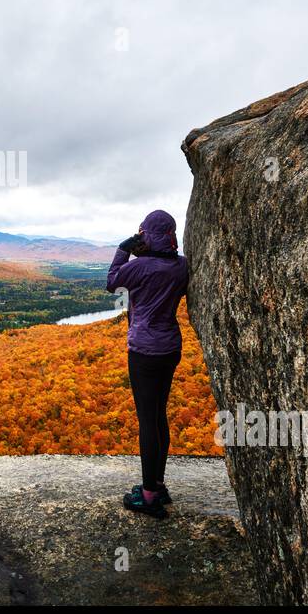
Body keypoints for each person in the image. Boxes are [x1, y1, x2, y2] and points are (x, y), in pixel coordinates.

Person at [106, 209, 189, 520]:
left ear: (146, 234)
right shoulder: (181, 266)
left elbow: (112, 283)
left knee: (146, 421)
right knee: (159, 416)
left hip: (143, 351)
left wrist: (125, 247)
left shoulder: (138, 267)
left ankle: (149, 495)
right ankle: (158, 484)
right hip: (170, 348)